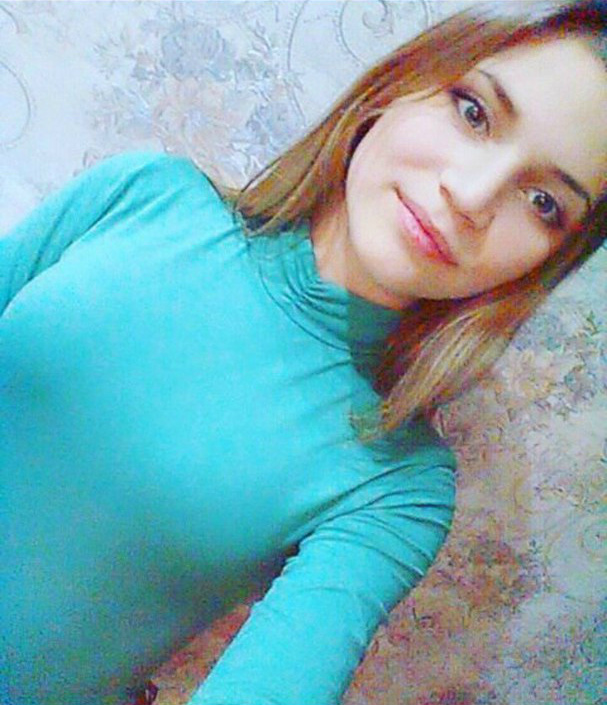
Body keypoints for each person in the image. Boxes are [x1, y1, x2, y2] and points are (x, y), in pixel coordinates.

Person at [1, 1, 605, 703]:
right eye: (473, 113)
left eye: (542, 202)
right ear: (402, 82)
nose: (470, 196)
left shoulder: (395, 483)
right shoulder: (143, 196)